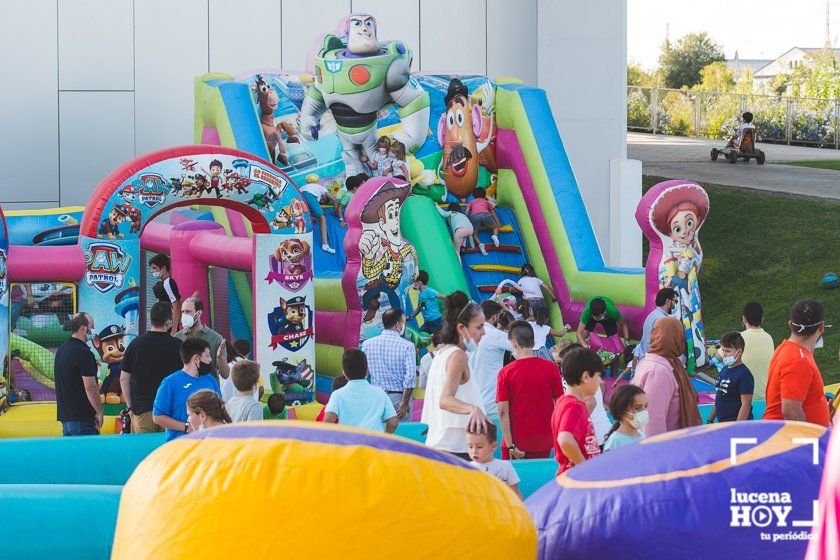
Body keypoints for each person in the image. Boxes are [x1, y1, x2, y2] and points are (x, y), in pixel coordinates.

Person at [421, 291, 489, 459]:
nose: (483, 332)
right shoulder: (458, 355)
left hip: (442, 446)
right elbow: (445, 399)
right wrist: (473, 409)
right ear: (461, 328)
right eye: (479, 327)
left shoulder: (442, 353)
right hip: (456, 449)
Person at [497, 321, 564, 460]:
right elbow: (560, 404)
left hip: (514, 441)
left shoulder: (506, 372)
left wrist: (511, 446)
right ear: (533, 342)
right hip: (543, 442)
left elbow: (503, 412)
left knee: (508, 481)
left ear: (514, 343)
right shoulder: (551, 368)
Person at [763, 299, 831, 427]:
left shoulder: (787, 349)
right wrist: (809, 440)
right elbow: (791, 411)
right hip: (790, 440)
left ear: (790, 324)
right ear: (821, 327)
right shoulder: (798, 361)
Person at [632, 316, 702, 437]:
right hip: (666, 448)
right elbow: (653, 423)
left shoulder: (654, 362)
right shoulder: (658, 371)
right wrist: (660, 453)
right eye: (681, 336)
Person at [119, 302, 183, 434]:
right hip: (170, 410)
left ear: (151, 319)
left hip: (142, 410)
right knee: (168, 450)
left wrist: (130, 407)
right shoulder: (178, 346)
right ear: (169, 322)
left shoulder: (135, 345)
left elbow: (123, 379)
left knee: (145, 452)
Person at [152, 337, 222, 441]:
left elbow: (220, 409)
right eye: (207, 355)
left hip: (208, 445)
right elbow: (157, 417)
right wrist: (187, 427)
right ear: (196, 358)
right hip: (180, 445)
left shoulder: (211, 380)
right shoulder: (170, 382)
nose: (210, 360)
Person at [551, 346, 603, 475]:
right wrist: (584, 468)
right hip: (577, 480)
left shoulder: (564, 402)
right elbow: (565, 439)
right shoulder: (574, 406)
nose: (600, 382)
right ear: (585, 376)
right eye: (597, 376)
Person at [323, 349, 398, 433]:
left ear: (344, 373)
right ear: (367, 371)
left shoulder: (337, 395)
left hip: (349, 444)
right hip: (374, 444)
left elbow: (327, 421)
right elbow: (393, 423)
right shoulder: (380, 393)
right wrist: (384, 437)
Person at [360, 308, 415, 421]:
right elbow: (410, 377)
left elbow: (363, 373)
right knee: (401, 435)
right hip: (398, 399)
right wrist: (404, 403)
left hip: (375, 399)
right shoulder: (407, 346)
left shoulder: (367, 344)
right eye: (403, 321)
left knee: (379, 435)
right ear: (397, 324)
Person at [552, 341, 612, 445]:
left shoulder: (582, 377)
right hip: (594, 433)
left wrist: (573, 426)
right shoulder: (571, 377)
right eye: (557, 363)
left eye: (560, 363)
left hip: (596, 434)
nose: (560, 367)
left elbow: (591, 402)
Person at [54, 313, 103, 436]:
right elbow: (90, 387)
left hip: (66, 418)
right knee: (91, 454)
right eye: (92, 326)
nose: (94, 329)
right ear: (83, 329)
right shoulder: (83, 352)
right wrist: (99, 410)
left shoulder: (62, 350)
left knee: (72, 455)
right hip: (82, 419)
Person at [470, 300, 514, 417]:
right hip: (492, 397)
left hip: (472, 398)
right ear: (495, 317)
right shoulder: (495, 335)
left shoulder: (469, 333)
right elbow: (522, 346)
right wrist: (512, 325)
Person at [175, 296, 229, 380]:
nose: (184, 315)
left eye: (188, 311)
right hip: (185, 389)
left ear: (199, 313)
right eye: (183, 312)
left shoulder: (216, 338)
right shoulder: (177, 337)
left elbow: (225, 375)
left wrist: (220, 358)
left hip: (208, 390)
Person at [707, 332, 754, 424]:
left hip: (738, 426)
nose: (724, 354)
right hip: (724, 424)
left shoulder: (744, 374)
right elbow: (719, 396)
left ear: (739, 352)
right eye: (723, 350)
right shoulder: (724, 370)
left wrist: (737, 427)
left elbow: (746, 405)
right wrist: (710, 420)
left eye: (728, 351)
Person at [467, 423, 522, 498]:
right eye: (470, 446)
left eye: (479, 447)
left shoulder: (505, 467)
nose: (474, 451)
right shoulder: (466, 468)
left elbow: (517, 496)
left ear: (493, 446)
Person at [740, 301, 774, 401]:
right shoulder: (769, 337)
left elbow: (718, 357)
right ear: (762, 319)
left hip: (745, 398)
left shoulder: (739, 338)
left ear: (744, 319)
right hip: (766, 397)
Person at [633, 287, 677, 362]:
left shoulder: (652, 315)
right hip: (655, 360)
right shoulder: (662, 319)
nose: (676, 303)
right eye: (675, 301)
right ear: (668, 301)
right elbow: (663, 344)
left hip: (647, 358)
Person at [603, 384, 648, 451]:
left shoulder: (642, 436)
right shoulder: (614, 443)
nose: (644, 411)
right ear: (622, 411)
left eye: (646, 406)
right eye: (638, 408)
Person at [299, 179, 338, 253]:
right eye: (324, 199)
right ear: (324, 196)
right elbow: (335, 199)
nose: (322, 201)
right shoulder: (321, 188)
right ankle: (325, 245)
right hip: (308, 195)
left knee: (307, 218)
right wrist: (336, 212)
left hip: (298, 195)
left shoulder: (309, 187)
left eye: (323, 202)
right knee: (322, 218)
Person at [149, 254, 181, 336]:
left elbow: (176, 306)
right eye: (151, 268)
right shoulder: (163, 283)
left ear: (163, 268)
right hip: (163, 323)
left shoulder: (168, 283)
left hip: (168, 324)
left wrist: (174, 330)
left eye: (154, 268)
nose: (152, 271)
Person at [465, 187, 501, 255]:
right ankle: (495, 236)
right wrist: (498, 223)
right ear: (484, 195)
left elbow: (466, 212)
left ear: (473, 196)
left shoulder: (471, 202)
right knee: (495, 227)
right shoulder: (486, 202)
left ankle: (480, 244)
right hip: (485, 215)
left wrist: (465, 220)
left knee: (474, 234)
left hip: (474, 216)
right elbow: (493, 212)